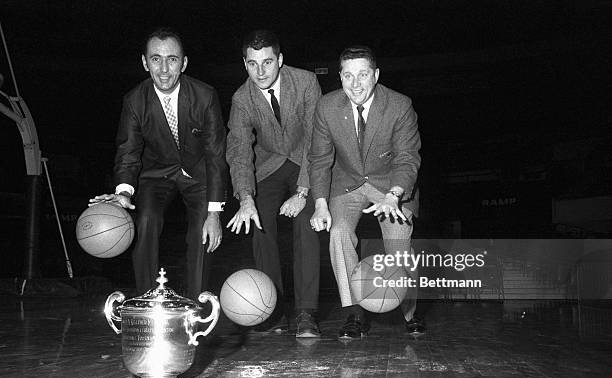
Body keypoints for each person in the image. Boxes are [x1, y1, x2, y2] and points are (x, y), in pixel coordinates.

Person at [89, 28, 227, 300]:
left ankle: (195, 307)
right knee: (147, 219)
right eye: (156, 59)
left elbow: (215, 155)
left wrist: (215, 213)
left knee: (202, 232)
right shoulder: (133, 101)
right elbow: (128, 151)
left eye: (172, 59)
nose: (164, 69)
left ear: (184, 63)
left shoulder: (205, 95)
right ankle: (146, 303)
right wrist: (124, 193)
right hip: (156, 175)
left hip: (199, 176)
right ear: (144, 62)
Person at [309, 45, 424, 339]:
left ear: (375, 75)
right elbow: (320, 160)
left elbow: (407, 157)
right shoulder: (326, 107)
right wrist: (320, 204)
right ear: (340, 77)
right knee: (338, 234)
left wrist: (394, 194)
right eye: (348, 76)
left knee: (399, 247)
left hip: (390, 186)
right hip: (347, 183)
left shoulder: (399, 105)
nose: (355, 84)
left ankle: (410, 312)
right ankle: (354, 314)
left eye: (362, 75)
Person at [226, 30, 322, 338]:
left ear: (279, 60)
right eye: (253, 64)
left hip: (302, 161)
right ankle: (272, 309)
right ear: (245, 64)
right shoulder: (241, 98)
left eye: (267, 62)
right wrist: (245, 198)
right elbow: (239, 151)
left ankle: (307, 312)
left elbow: (315, 141)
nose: (261, 72)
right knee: (259, 223)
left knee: (307, 221)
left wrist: (303, 191)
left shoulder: (306, 82)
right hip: (266, 167)